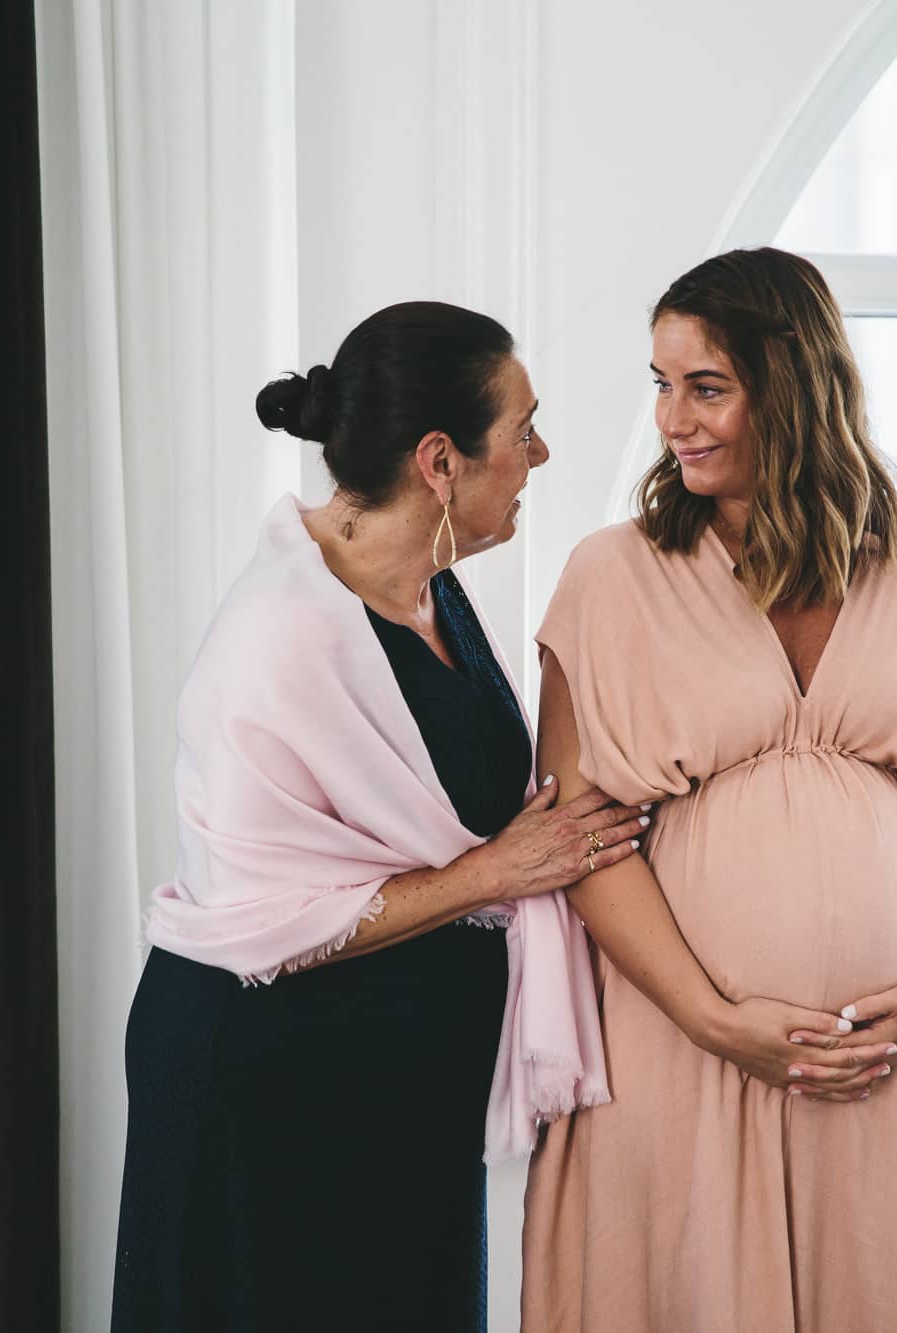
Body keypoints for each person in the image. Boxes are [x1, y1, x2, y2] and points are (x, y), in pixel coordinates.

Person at [520, 249, 897, 1331]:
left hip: (885, 1063)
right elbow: (576, 839)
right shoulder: (611, 577)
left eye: (706, 387)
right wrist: (713, 1018)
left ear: (793, 388)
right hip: (681, 1053)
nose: (672, 420)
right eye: (660, 385)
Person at [111, 301, 642, 1332]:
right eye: (521, 429)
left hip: (396, 1087)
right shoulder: (278, 636)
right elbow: (254, 916)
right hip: (261, 1084)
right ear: (439, 460)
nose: (540, 452)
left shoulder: (432, 595)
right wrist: (494, 872)